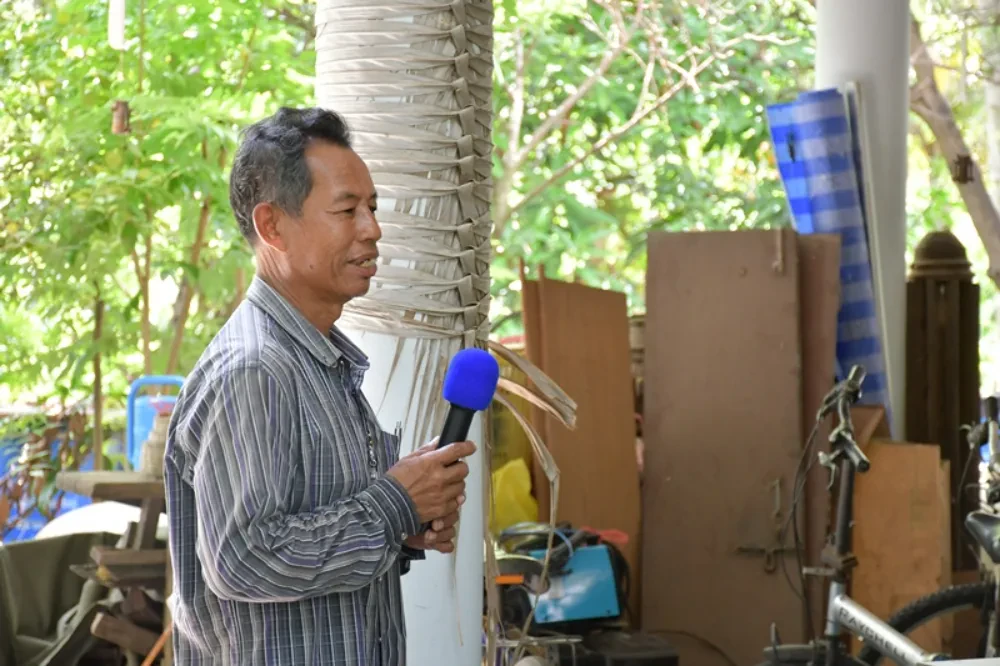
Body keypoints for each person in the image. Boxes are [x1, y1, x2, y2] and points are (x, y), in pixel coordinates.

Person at [163, 107, 475, 666]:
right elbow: (243, 560)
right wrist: (394, 502)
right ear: (273, 226)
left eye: (373, 208)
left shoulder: (319, 361)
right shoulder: (255, 370)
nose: (372, 229)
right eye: (347, 210)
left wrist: (403, 525)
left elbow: (312, 531)